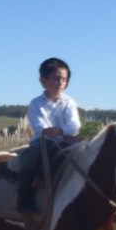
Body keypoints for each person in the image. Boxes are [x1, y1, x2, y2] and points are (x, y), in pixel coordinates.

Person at [16, 57, 81, 214]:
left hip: (66, 141)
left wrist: (60, 131)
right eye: (56, 79)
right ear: (43, 80)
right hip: (43, 142)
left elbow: (75, 125)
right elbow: (39, 126)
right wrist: (55, 131)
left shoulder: (69, 102)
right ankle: (23, 197)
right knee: (31, 155)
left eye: (64, 80)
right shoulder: (36, 103)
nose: (60, 83)